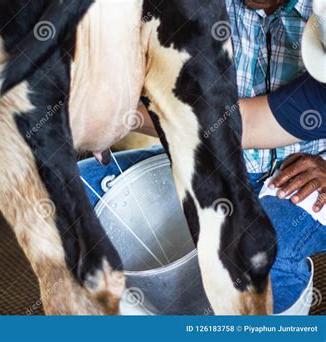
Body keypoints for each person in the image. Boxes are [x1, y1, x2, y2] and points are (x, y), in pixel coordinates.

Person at [78, 0, 326, 314]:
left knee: (257, 257)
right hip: (215, 155)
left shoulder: (320, 15)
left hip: (306, 171)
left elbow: (246, 124)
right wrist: (110, 111)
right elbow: (246, 122)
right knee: (75, 191)